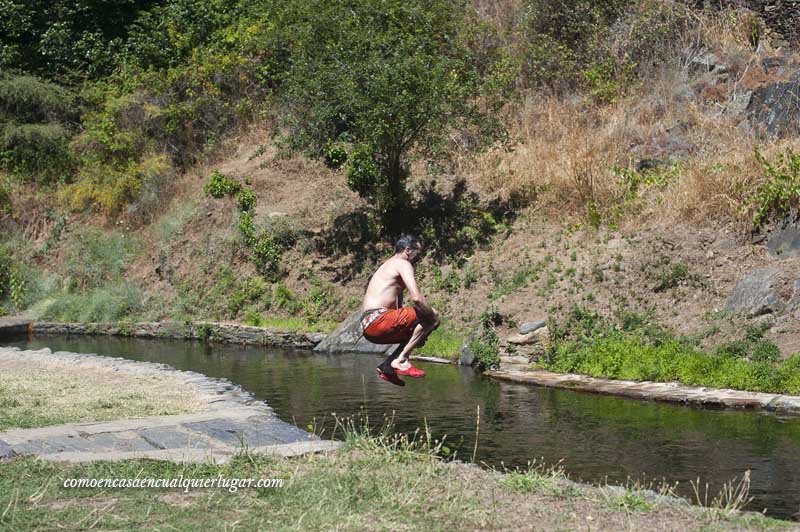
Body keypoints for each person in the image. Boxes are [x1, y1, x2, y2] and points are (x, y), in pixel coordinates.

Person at [361, 235, 439, 384]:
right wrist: (433, 320)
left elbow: (398, 308)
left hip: (368, 326)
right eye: (418, 253)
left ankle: (387, 366)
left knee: (414, 333)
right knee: (433, 315)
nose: (419, 258)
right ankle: (402, 360)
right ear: (408, 250)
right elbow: (417, 299)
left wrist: (418, 333)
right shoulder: (402, 264)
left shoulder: (388, 265)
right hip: (379, 320)